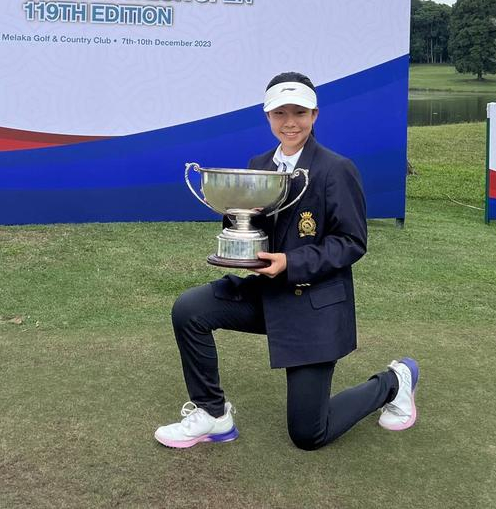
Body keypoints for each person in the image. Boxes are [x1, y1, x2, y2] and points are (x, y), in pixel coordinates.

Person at [155, 71, 419, 450]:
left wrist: (289, 262)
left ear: (314, 115)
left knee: (309, 434)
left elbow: (351, 242)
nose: (290, 122)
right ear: (268, 116)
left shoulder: (336, 169)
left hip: (314, 307)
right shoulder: (260, 163)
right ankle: (212, 413)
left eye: (299, 112)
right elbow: (252, 224)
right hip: (268, 296)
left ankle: (394, 382)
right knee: (189, 309)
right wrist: (238, 219)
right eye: (280, 113)